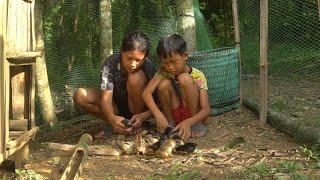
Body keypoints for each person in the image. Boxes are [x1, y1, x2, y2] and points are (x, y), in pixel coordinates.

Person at [74, 31, 156, 135]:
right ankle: (119, 124)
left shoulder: (149, 67)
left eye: (138, 60)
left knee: (135, 77)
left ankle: (137, 124)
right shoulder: (110, 63)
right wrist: (112, 118)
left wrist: (143, 116)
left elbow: (159, 103)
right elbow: (106, 98)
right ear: (122, 52)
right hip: (116, 106)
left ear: (145, 58)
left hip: (139, 110)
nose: (133, 64)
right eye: (129, 58)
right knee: (80, 95)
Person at [142, 34, 211, 141]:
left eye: (173, 62)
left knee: (184, 78)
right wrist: (158, 115)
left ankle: (196, 125)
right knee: (163, 84)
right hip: (175, 113)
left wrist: (189, 121)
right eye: (165, 63)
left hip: (194, 116)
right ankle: (170, 124)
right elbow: (146, 93)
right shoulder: (163, 71)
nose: (170, 67)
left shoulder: (198, 75)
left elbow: (206, 109)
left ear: (185, 56)